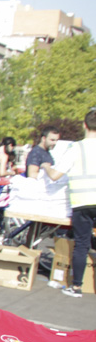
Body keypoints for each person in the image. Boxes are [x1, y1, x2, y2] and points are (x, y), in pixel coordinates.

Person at [62, 110, 96, 298]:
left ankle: (76, 287)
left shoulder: (76, 148)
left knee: (82, 244)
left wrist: (45, 166)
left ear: (84, 125)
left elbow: (56, 174)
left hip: (81, 202)